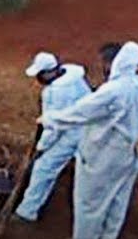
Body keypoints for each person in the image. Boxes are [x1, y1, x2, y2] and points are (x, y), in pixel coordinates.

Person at [41, 42, 138, 239]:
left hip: (106, 154)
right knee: (119, 196)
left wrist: (50, 119)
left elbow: (81, 112)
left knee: (90, 199)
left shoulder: (113, 91)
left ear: (113, 63)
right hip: (134, 152)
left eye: (104, 62)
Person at [16, 52, 93, 222]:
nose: (38, 79)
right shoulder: (75, 78)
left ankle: (26, 212)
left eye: (39, 74)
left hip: (72, 133)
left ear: (48, 73)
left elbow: (55, 127)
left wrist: (42, 147)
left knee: (43, 169)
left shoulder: (55, 93)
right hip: (88, 129)